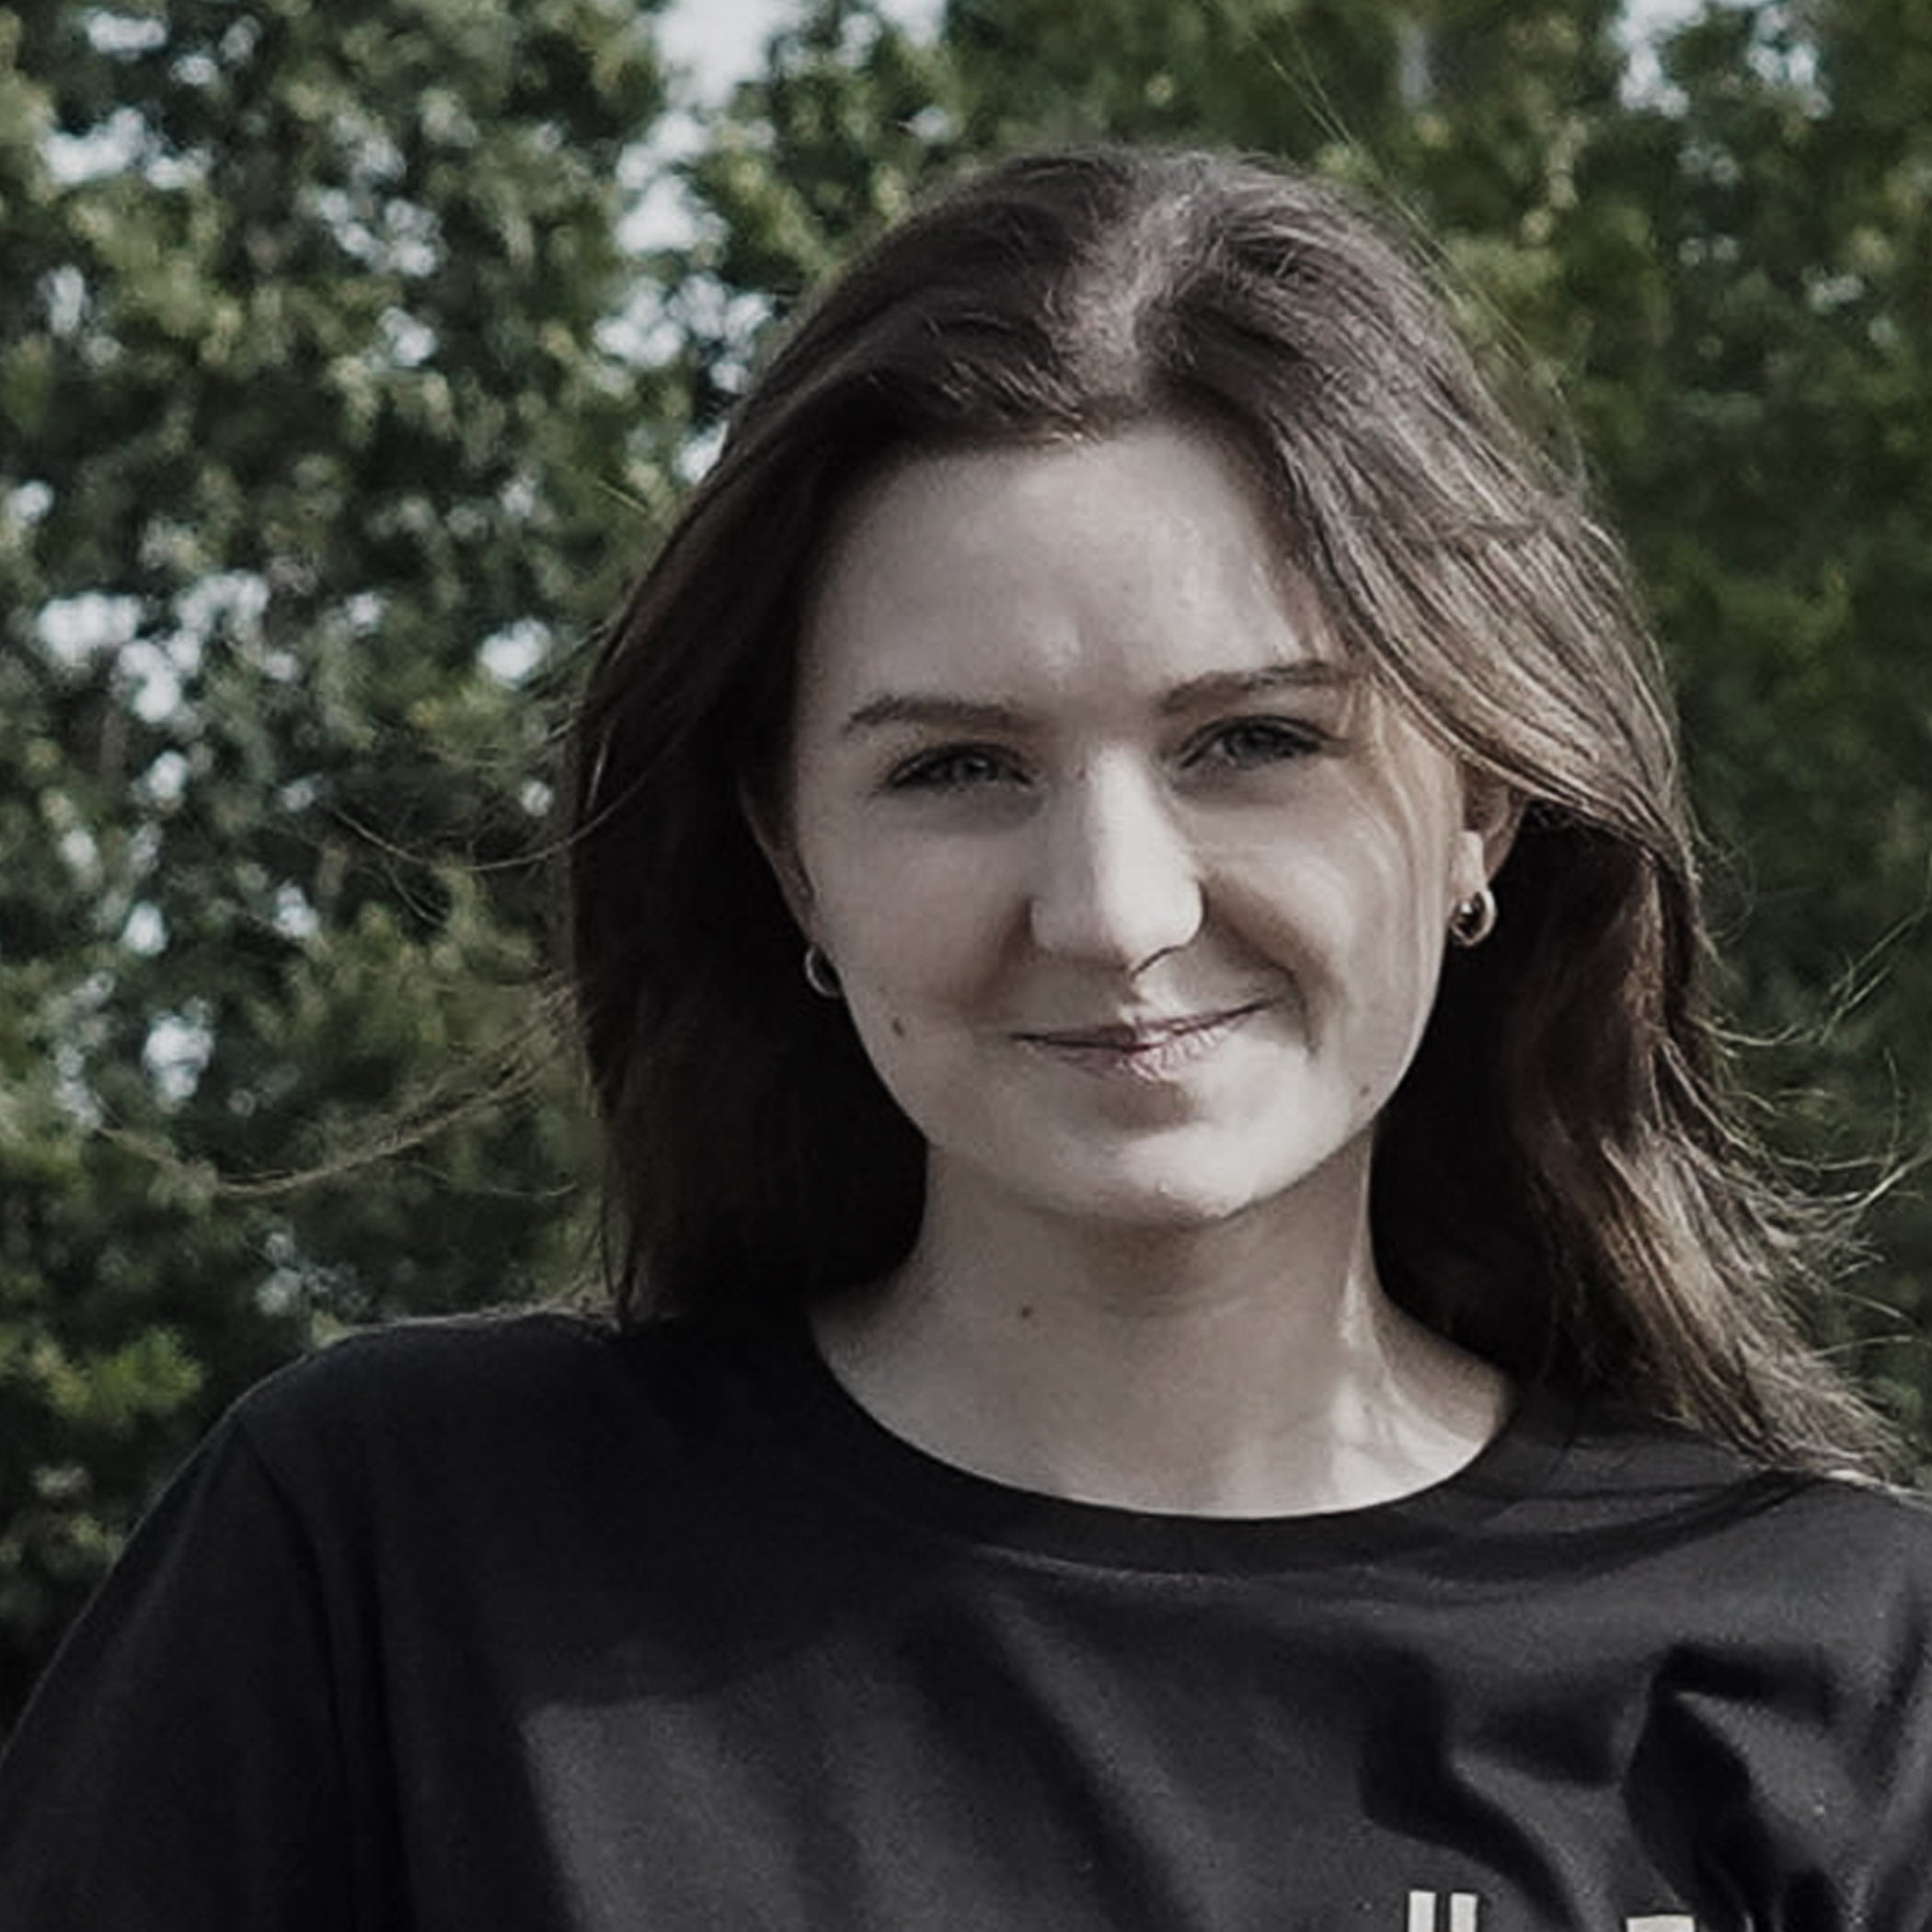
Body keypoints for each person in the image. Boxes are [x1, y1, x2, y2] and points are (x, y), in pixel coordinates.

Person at [0, 144, 1926, 1929]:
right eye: (956, 768)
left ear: (1483, 809)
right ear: (796, 862)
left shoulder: (1842, 1672)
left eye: (1252, 742)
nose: (1112, 908)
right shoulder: (399, 1565)